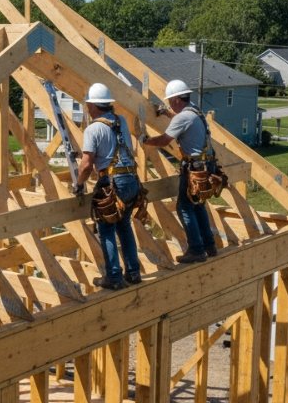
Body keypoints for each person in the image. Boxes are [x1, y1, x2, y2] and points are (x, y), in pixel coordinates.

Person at [73, 82, 142, 290]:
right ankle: (133, 272)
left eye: (88, 104)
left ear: (94, 105)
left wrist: (78, 184)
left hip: (112, 184)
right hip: (131, 180)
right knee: (124, 225)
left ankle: (113, 276)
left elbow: (86, 165)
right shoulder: (120, 121)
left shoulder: (93, 129)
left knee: (107, 228)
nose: (86, 108)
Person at [142, 79, 216, 263]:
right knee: (198, 205)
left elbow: (165, 140)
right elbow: (181, 120)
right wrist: (166, 113)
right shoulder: (194, 110)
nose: (169, 104)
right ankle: (209, 245)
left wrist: (146, 140)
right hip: (206, 165)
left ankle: (196, 250)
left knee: (184, 207)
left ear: (175, 100)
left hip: (194, 169)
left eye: (169, 102)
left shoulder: (183, 117)